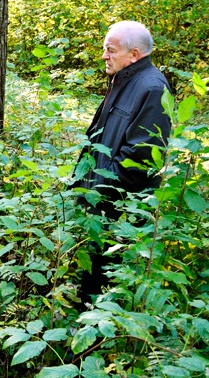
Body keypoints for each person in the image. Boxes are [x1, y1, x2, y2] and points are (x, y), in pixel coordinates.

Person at [72, 20, 172, 303]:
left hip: (120, 205)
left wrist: (100, 189)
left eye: (110, 50)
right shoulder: (124, 79)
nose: (104, 56)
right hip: (104, 199)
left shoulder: (151, 89)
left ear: (134, 54)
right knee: (92, 270)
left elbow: (141, 156)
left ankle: (99, 334)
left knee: (108, 277)